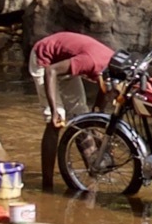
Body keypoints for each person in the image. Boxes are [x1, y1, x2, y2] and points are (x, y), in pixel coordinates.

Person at [30, 30, 114, 182]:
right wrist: (54, 110)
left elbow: (100, 103)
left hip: (66, 63)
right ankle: (47, 183)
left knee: (81, 117)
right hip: (45, 60)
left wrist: (97, 128)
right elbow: (50, 71)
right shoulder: (91, 62)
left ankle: (94, 173)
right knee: (56, 120)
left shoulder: (113, 68)